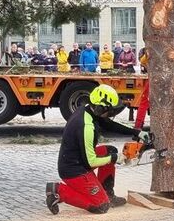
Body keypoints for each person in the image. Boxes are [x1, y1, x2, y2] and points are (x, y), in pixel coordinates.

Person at [46, 85, 143, 214]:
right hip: (74, 171)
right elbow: (90, 162)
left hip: (79, 160)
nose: (110, 114)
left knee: (110, 150)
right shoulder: (86, 126)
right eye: (109, 111)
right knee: (101, 206)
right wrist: (115, 158)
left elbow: (108, 124)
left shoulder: (88, 110)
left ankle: (108, 193)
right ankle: (58, 191)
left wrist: (136, 133)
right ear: (100, 108)